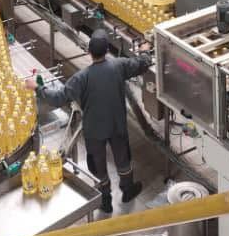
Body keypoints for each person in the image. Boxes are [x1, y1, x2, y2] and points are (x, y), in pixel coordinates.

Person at [36, 31, 151, 214]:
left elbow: (58, 98)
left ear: (89, 52)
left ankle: (105, 199)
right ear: (107, 50)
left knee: (97, 163)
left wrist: (37, 88)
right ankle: (127, 189)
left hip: (95, 129)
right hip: (116, 124)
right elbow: (143, 63)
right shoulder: (119, 65)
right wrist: (145, 50)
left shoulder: (81, 77)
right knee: (122, 157)